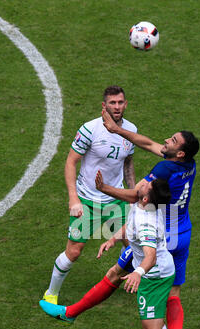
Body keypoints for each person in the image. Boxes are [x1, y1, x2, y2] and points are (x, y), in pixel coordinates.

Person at [39, 119, 200, 329]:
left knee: (136, 295)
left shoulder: (164, 169)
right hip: (182, 231)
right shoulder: (189, 165)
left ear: (180, 153)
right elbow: (150, 144)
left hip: (158, 237)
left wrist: (106, 189)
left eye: (172, 141)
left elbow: (136, 195)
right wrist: (120, 131)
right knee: (171, 294)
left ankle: (71, 314)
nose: (166, 142)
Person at [40, 175, 183, 329]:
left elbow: (149, 256)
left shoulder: (148, 220)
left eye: (145, 185)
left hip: (153, 277)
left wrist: (138, 273)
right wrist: (113, 238)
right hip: (161, 271)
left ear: (146, 197)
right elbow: (131, 219)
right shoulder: (144, 205)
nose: (142, 182)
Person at [42, 86, 137, 304]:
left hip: (116, 200)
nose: (117, 106)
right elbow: (70, 161)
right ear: (104, 106)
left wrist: (133, 197)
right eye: (112, 103)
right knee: (74, 252)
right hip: (88, 201)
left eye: (120, 102)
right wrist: (74, 198)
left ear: (126, 104)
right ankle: (51, 293)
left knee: (134, 243)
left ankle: (144, 285)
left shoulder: (130, 130)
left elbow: (128, 164)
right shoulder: (90, 129)